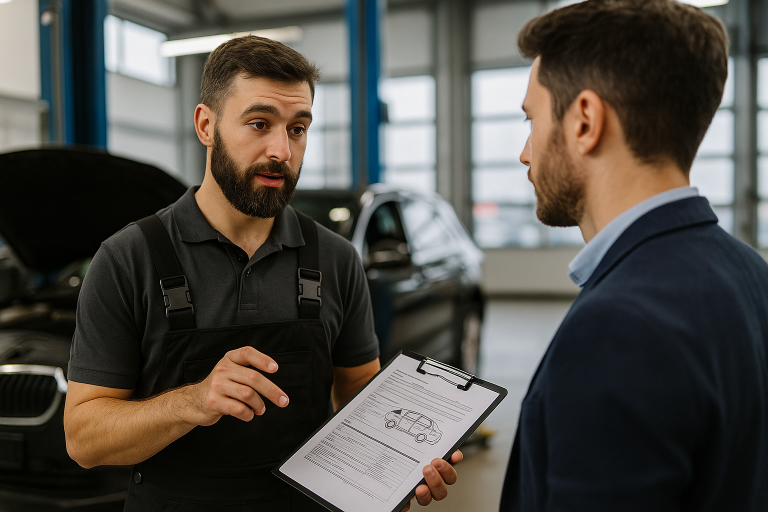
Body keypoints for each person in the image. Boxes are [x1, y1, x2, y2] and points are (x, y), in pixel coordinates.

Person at [63, 35, 459, 511]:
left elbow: (361, 397)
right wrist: (193, 401)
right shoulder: (128, 258)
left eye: (297, 129)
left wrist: (403, 462)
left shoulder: (334, 258)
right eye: (259, 123)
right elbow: (84, 440)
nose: (281, 151)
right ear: (206, 125)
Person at [500, 1, 768, 510]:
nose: (524, 152)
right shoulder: (751, 272)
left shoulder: (619, 326)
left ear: (584, 121)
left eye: (531, 119)